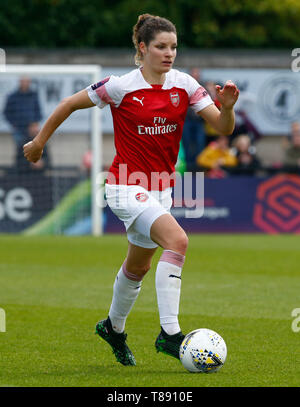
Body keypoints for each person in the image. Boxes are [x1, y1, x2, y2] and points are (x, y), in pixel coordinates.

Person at [23, 14, 239, 366]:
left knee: (137, 268)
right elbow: (68, 105)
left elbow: (222, 127)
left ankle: (113, 328)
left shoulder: (184, 85)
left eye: (173, 47)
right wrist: (38, 142)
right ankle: (171, 335)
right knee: (178, 241)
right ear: (143, 48)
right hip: (125, 185)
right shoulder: (121, 86)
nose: (169, 54)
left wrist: (227, 108)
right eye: (161, 47)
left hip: (161, 190)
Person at [3, 77, 49, 172]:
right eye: (23, 81)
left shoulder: (33, 95)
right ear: (20, 81)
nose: (25, 83)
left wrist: (34, 124)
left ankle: (35, 167)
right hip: (19, 130)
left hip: (32, 131)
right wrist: (15, 124)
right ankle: (23, 171)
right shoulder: (12, 96)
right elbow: (7, 113)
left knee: (36, 148)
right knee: (22, 153)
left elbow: (39, 112)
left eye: (27, 81)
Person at [181, 68, 206, 171]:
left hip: (199, 121)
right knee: (186, 142)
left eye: (197, 73)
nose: (196, 75)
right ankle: (188, 166)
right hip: (187, 120)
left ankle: (198, 166)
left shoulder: (203, 86)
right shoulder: (184, 86)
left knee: (200, 143)